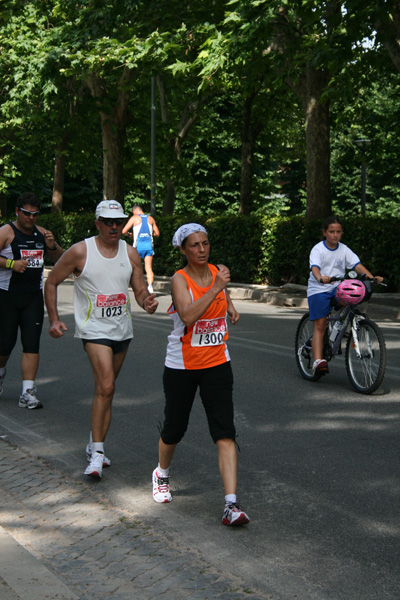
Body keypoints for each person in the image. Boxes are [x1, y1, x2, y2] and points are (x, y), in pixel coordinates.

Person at [44, 200, 158, 479]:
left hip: (122, 331)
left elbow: (140, 291)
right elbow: (51, 282)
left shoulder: (130, 253)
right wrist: (55, 318)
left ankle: (94, 444)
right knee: (105, 386)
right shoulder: (81, 251)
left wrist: (148, 302)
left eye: (119, 221)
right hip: (93, 330)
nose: (115, 226)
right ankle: (96, 454)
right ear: (97, 223)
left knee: (106, 390)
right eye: (108, 222)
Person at [152, 223, 250, 527]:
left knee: (225, 431)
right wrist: (217, 289)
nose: (201, 250)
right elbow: (188, 315)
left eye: (205, 243)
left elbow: (222, 293)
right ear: (183, 250)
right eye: (194, 245)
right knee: (174, 428)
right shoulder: (179, 280)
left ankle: (231, 505)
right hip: (182, 366)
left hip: (218, 362)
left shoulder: (217, 272)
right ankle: (162, 474)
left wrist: (229, 305)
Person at [0, 193, 64, 409]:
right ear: (18, 211)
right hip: (6, 296)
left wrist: (53, 246)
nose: (31, 218)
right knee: (5, 344)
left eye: (35, 214)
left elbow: (62, 261)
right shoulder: (6, 232)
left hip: (33, 298)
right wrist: (11, 264)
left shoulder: (42, 234)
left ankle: (27, 392)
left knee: (31, 343)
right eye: (27, 214)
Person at [308, 215, 383, 376]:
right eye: (331, 231)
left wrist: (371, 278)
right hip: (319, 289)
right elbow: (315, 268)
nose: (335, 235)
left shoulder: (344, 249)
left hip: (337, 287)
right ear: (325, 232)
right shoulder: (318, 249)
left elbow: (357, 266)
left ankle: (341, 328)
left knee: (352, 297)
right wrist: (320, 277)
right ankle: (317, 361)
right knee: (320, 325)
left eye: (338, 232)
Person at [122, 205, 160, 293]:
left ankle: (136, 287)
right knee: (148, 268)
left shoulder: (134, 218)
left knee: (135, 267)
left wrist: (129, 235)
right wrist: (151, 234)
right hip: (148, 246)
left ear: (135, 210)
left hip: (137, 247)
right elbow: (157, 233)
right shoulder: (151, 218)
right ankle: (150, 286)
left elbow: (123, 231)